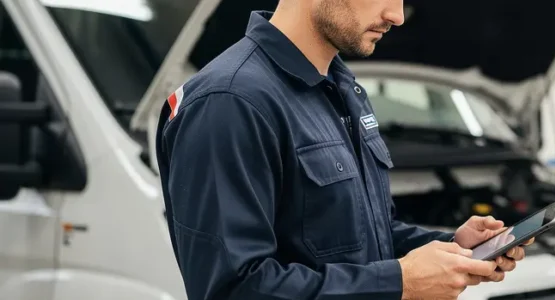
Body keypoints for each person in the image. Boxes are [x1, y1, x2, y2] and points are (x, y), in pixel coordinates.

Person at [154, 0, 535, 299]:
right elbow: (233, 289)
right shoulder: (230, 102)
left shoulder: (341, 89)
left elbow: (364, 236)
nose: (398, 15)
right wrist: (399, 283)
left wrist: (451, 249)